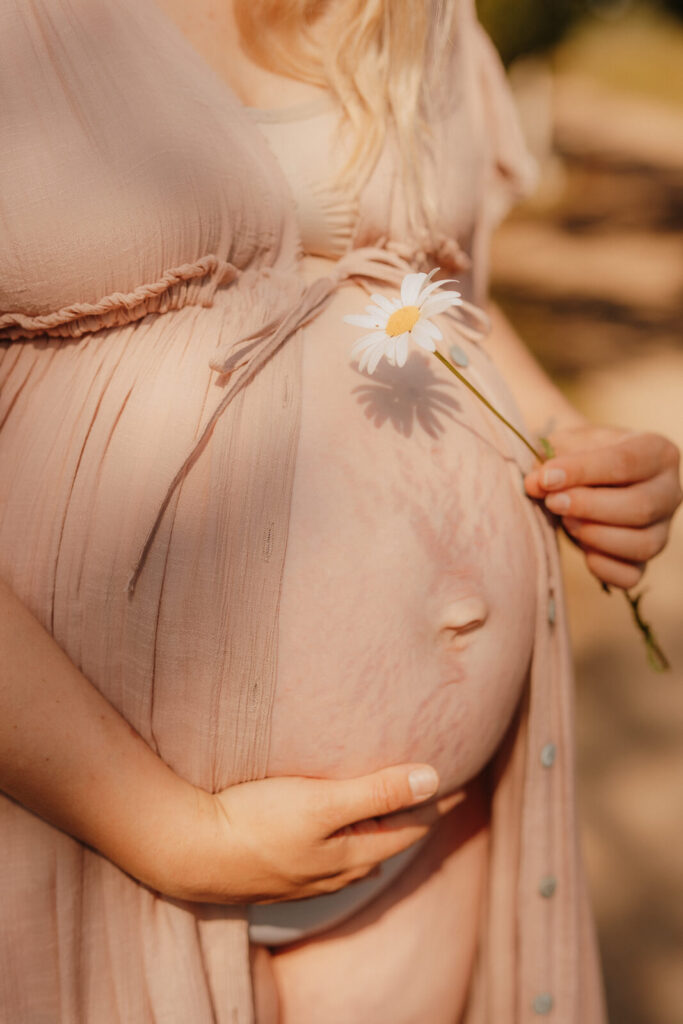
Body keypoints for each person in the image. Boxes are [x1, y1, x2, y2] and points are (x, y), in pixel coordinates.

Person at [0, 0, 680, 1021]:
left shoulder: (418, 19)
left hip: (415, 841)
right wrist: (169, 829)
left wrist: (566, 440)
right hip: (80, 830)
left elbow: (425, 299)